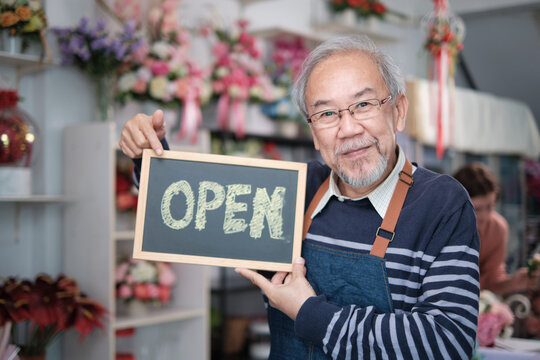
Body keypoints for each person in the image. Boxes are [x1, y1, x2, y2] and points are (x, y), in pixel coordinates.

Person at [119, 35, 480, 359]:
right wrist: (147, 154)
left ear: (398, 111)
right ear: (312, 131)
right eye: (326, 114)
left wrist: (310, 313)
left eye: (364, 105)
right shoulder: (291, 188)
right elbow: (195, 210)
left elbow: (448, 342)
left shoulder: (442, 203)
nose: (348, 128)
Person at [453, 162, 540, 296]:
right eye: (477, 209)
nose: (485, 216)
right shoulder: (441, 228)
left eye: (490, 206)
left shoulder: (497, 228)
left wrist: (513, 283)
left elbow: (493, 282)